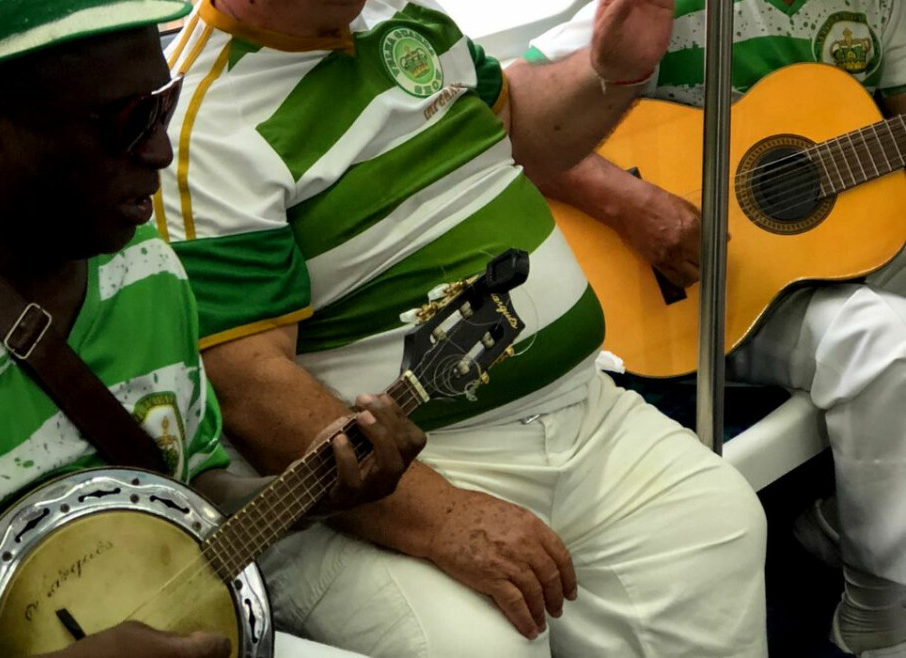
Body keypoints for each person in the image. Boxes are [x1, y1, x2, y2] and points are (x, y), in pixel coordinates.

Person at [0, 1, 427, 656]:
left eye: (165, 104)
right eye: (129, 122)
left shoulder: (144, 266)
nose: (162, 149)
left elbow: (183, 492)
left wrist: (314, 486)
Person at [157, 0, 769, 656]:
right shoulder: (201, 122)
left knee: (718, 520)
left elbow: (523, 131)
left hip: (583, 413)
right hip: (394, 479)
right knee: (476, 648)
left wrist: (609, 72)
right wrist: (441, 515)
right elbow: (247, 388)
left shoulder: (406, 19)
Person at [528, 1, 906, 655]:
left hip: (841, 250)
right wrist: (629, 203)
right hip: (709, 291)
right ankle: (879, 608)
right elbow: (499, 120)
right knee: (883, 342)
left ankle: (845, 522)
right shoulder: (659, 8)